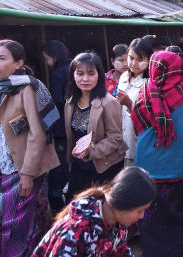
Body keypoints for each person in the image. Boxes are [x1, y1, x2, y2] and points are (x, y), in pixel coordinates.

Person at [132, 51, 183, 256]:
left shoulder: (143, 93)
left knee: (151, 225)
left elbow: (137, 130)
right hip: (181, 171)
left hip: (148, 173)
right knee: (180, 226)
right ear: (178, 68)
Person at [0, 39, 60, 255]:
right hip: (2, 167)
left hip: (20, 167)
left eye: (2, 58)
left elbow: (37, 133)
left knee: (12, 224)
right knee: (27, 219)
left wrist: (27, 174)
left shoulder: (28, 88)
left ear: (18, 63)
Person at [32, 166, 156, 256]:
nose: (142, 216)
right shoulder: (76, 231)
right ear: (124, 202)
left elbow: (121, 251)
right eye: (139, 210)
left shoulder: (118, 224)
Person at [64, 52, 126, 202]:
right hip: (79, 164)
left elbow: (115, 138)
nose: (85, 79)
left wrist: (91, 151)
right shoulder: (70, 101)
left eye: (91, 74)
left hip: (104, 166)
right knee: (75, 204)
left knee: (100, 209)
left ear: (99, 75)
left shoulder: (108, 102)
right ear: (73, 75)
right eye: (80, 74)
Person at [42, 40, 72, 212]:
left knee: (60, 168)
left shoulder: (57, 74)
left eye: (47, 59)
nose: (47, 63)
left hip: (61, 128)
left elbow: (56, 102)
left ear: (54, 56)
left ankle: (60, 207)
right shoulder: (73, 67)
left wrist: (46, 125)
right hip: (77, 124)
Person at [116, 38, 152, 167]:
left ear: (149, 60)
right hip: (121, 140)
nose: (134, 63)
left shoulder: (150, 83)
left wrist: (129, 104)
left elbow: (149, 117)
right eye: (131, 58)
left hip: (138, 141)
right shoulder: (124, 77)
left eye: (140, 59)